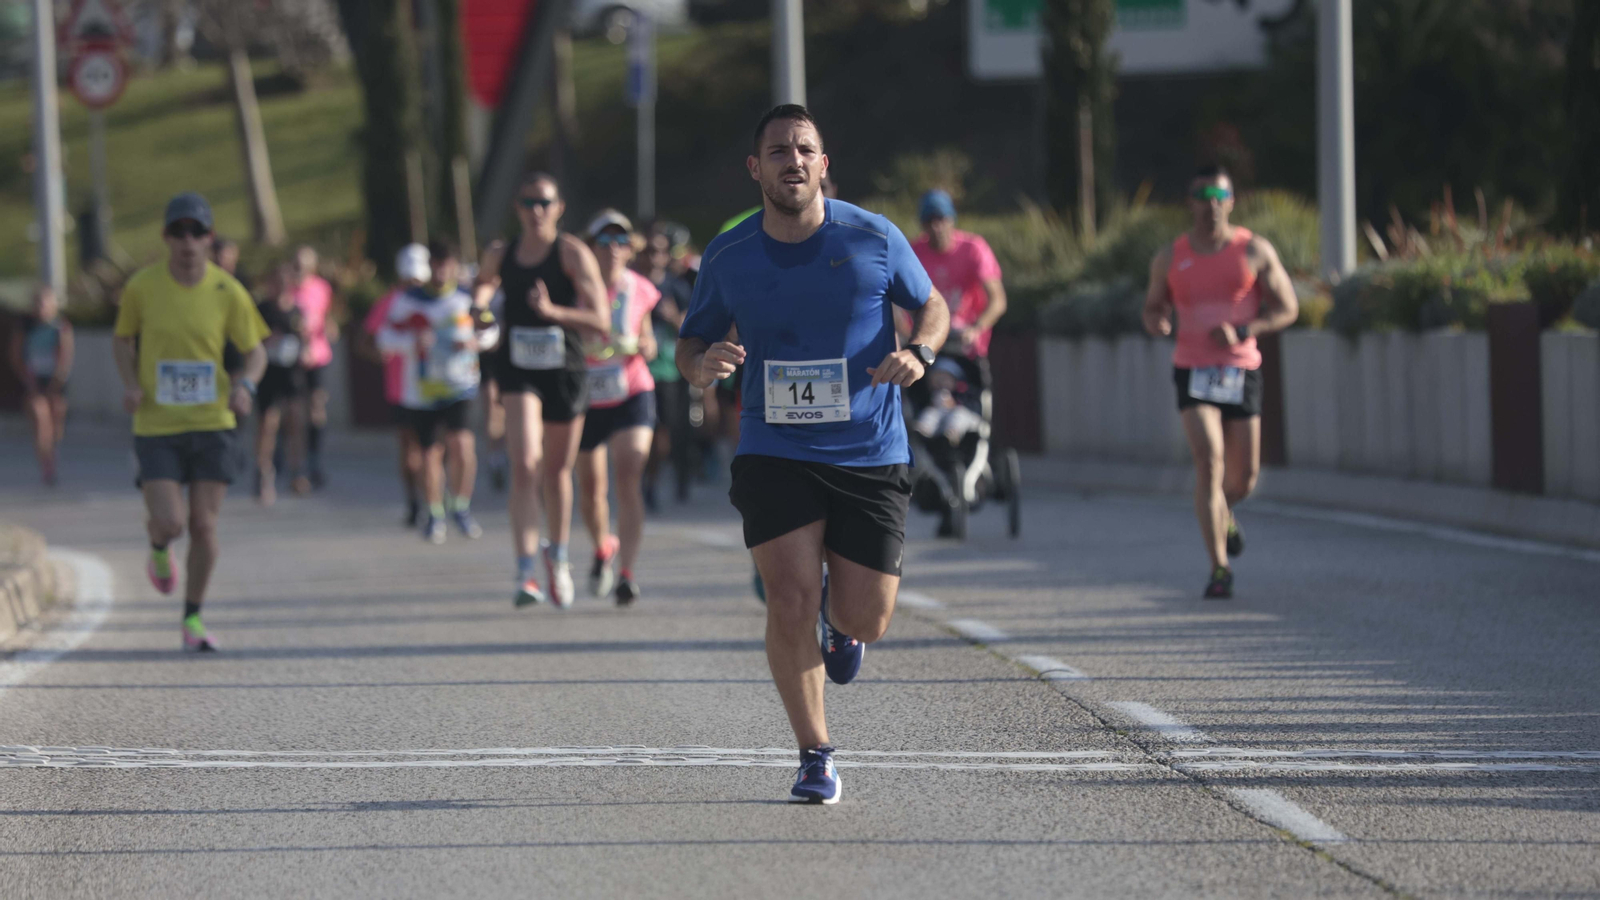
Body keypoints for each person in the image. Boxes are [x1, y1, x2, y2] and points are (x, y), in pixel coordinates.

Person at [677, 105, 950, 804]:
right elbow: (689, 345)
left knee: (868, 618)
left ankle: (842, 624)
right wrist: (703, 364)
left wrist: (919, 353)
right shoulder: (729, 253)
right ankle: (814, 753)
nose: (792, 161)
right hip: (775, 446)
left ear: (824, 163)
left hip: (869, 447)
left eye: (804, 149)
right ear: (755, 168)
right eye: (777, 151)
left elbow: (933, 305)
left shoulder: (874, 237)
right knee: (789, 596)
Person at [112, 192, 269, 652]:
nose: (188, 241)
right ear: (166, 237)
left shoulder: (227, 291)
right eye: (178, 231)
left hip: (213, 421)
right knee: (172, 521)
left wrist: (248, 386)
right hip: (157, 424)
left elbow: (256, 349)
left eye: (197, 232)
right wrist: (130, 382)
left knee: (204, 525)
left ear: (209, 238)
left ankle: (192, 618)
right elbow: (123, 340)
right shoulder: (142, 287)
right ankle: (159, 547)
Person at [1142, 164, 1299, 600]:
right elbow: (1153, 306)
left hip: (1240, 369)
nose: (1211, 204)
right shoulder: (1170, 257)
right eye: (1203, 195)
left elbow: (1288, 307)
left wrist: (1245, 331)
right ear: (1190, 202)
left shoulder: (1254, 251)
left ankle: (1223, 511)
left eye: (1219, 195)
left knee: (1243, 477)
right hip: (1193, 368)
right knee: (1209, 461)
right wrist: (1157, 321)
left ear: (1230, 201)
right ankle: (1219, 568)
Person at [475, 173, 610, 610]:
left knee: (556, 472)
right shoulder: (503, 252)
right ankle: (524, 570)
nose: (536, 210)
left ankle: (560, 555)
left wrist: (553, 311)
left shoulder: (571, 253)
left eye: (544, 202)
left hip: (565, 371)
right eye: (528, 202)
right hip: (519, 371)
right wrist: (479, 306)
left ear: (559, 207)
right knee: (524, 465)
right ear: (517, 207)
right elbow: (482, 284)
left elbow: (601, 321)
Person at [378, 239, 496, 544]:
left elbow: (492, 329)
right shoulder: (408, 300)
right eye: (435, 264)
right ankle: (434, 512)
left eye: (446, 264)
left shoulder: (467, 296)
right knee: (430, 453)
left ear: (454, 266)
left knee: (463, 448)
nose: (441, 270)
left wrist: (476, 343)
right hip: (423, 390)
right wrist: (412, 343)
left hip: (461, 384)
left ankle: (461, 506)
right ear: (429, 266)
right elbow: (385, 337)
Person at [576, 211, 659, 605]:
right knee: (592, 491)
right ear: (590, 249)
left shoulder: (640, 287)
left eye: (621, 242)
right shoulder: (574, 288)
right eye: (604, 242)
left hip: (631, 390)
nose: (613, 249)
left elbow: (648, 339)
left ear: (630, 249)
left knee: (628, 473)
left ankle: (627, 572)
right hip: (587, 396)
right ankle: (603, 545)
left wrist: (645, 346)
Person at [363, 243, 433, 526]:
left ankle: (433, 502)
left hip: (435, 386)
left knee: (432, 450)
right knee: (410, 449)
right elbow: (365, 341)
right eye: (409, 279)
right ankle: (415, 503)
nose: (413, 285)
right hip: (400, 387)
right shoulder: (390, 303)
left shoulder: (439, 301)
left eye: (418, 280)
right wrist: (379, 354)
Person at [910, 189, 1006, 361]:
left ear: (951, 219)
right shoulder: (914, 253)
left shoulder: (973, 248)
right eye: (929, 221)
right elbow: (897, 304)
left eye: (940, 219)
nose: (936, 227)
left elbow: (997, 300)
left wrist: (976, 329)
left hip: (966, 345)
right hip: (927, 345)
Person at [639, 223, 695, 509]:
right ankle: (647, 483)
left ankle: (674, 478)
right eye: (648, 251)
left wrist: (673, 317)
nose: (654, 257)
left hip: (672, 371)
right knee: (648, 431)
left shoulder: (677, 287)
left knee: (671, 432)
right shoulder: (632, 284)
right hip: (639, 373)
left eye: (660, 251)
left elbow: (693, 327)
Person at [253, 263, 311, 505]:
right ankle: (263, 474)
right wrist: (267, 341)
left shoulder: (297, 311)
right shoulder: (261, 309)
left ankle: (297, 472)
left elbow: (305, 339)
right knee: (268, 424)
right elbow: (250, 340)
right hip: (268, 373)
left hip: (291, 373)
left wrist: (305, 350)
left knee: (295, 422)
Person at [10, 285, 73, 485]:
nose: (40, 308)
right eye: (37, 303)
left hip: (54, 380)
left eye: (44, 303)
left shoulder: (60, 326)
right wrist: (28, 381)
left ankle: (52, 449)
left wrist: (56, 382)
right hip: (32, 379)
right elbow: (15, 355)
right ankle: (47, 465)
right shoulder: (25, 327)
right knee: (40, 418)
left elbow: (65, 357)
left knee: (55, 420)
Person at [291, 245, 338, 489]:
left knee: (317, 407)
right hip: (293, 358)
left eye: (305, 264)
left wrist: (330, 328)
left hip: (318, 356)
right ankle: (295, 464)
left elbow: (326, 316)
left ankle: (315, 460)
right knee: (295, 412)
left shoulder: (321, 287)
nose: (301, 269)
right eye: (297, 263)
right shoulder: (288, 289)